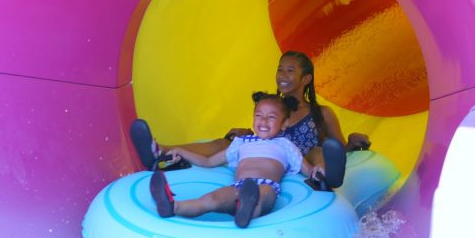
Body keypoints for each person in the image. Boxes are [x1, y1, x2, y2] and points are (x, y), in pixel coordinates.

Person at [131, 51, 369, 189]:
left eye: (289, 71)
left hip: (301, 161)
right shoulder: (272, 106)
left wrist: (353, 141)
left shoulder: (321, 113)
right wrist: (247, 133)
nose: (281, 76)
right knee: (227, 142)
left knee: (319, 149)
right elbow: (266, 133)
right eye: (279, 69)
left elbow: (336, 149)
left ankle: (324, 177)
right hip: (268, 157)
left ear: (306, 78)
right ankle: (160, 150)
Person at [149, 92, 323, 228]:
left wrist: (318, 171)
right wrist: (181, 151)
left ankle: (246, 211)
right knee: (210, 200)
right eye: (258, 115)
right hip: (239, 186)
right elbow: (208, 162)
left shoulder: (285, 145)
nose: (263, 121)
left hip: (266, 186)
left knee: (259, 196)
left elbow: (307, 170)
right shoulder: (241, 142)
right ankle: (172, 207)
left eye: (271, 117)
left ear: (284, 123)